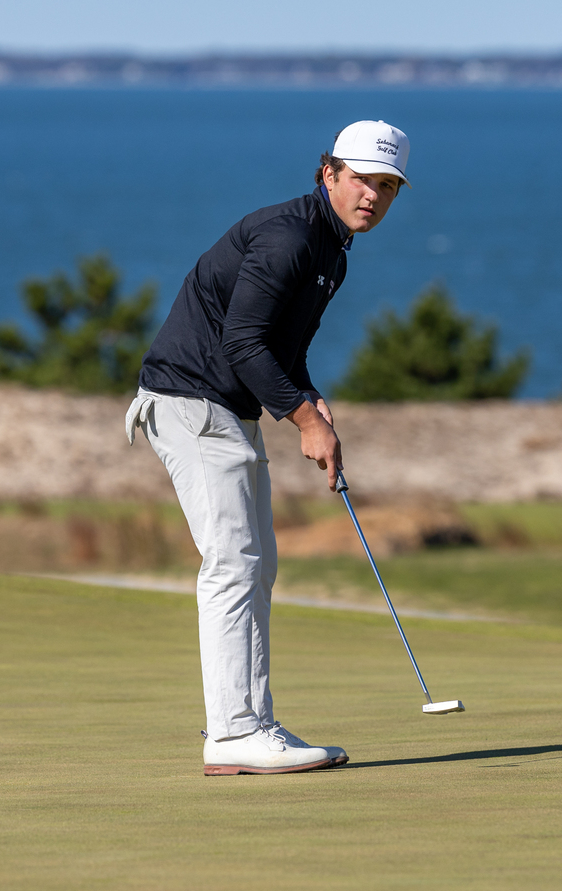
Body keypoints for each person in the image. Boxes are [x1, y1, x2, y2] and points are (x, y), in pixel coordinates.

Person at [125, 120, 411, 776]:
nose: (374, 196)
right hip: (192, 403)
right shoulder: (288, 240)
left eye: (388, 186)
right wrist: (304, 419)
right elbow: (242, 344)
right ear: (329, 173)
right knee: (232, 563)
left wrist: (308, 399)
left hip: (226, 409)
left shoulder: (329, 252)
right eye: (364, 179)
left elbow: (281, 349)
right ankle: (231, 734)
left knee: (257, 565)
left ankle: (253, 724)